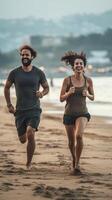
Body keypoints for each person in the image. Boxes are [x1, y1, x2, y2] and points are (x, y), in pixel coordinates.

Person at [4, 45, 49, 169]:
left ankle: (28, 163)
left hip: (34, 109)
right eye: (23, 55)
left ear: (32, 57)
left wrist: (42, 93)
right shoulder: (14, 73)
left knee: (30, 132)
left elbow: (47, 88)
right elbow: (6, 88)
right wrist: (9, 104)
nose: (24, 57)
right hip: (20, 111)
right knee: (23, 139)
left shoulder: (39, 72)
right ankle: (27, 145)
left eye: (27, 55)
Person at [60, 51, 94, 174]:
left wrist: (88, 94)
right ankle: (74, 160)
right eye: (76, 64)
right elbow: (61, 98)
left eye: (81, 63)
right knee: (71, 142)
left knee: (79, 136)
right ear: (73, 66)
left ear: (83, 66)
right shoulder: (67, 80)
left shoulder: (88, 80)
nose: (78, 65)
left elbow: (93, 97)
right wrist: (69, 93)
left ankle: (78, 164)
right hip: (69, 114)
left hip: (82, 113)